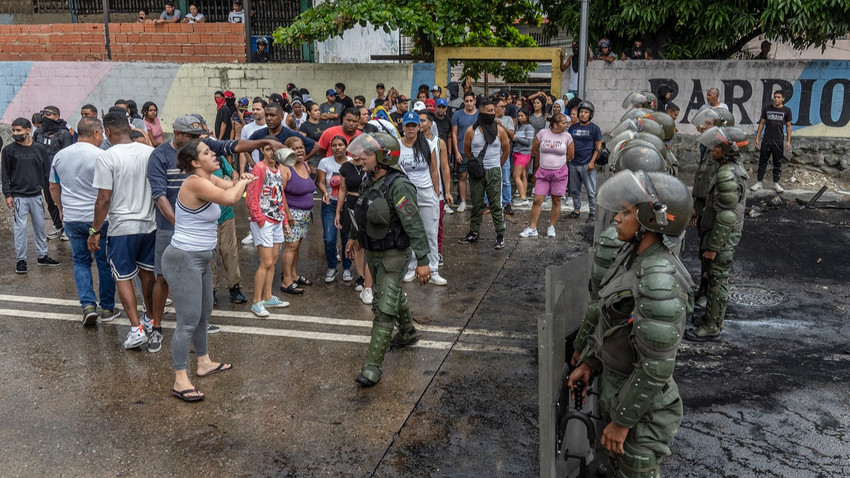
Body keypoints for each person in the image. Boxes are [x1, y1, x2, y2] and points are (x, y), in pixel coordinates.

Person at [568, 170, 693, 478]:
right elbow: (613, 322)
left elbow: (655, 368)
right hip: (620, 393)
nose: (616, 218)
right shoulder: (632, 258)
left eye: (625, 212)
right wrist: (590, 362)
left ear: (651, 219)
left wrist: (621, 423)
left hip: (642, 416)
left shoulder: (658, 278)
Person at [148, 115, 281, 350]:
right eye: (195, 138)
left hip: (198, 239)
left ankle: (200, 347)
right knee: (162, 280)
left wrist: (263, 144)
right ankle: (157, 327)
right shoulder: (163, 158)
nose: (206, 145)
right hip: (175, 231)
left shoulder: (204, 163)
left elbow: (234, 151)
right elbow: (159, 195)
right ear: (179, 135)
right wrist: (180, 225)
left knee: (200, 302)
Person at [164, 139, 256, 402]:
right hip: (184, 259)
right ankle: (180, 379)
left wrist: (243, 179)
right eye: (206, 152)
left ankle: (203, 362)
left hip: (201, 259)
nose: (214, 154)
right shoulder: (194, 182)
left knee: (204, 315)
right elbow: (231, 197)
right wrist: (242, 183)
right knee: (187, 322)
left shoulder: (210, 177)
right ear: (195, 162)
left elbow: (228, 186)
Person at [345, 133, 431, 386]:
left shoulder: (399, 186)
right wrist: (352, 237)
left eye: (367, 154)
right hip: (373, 253)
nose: (361, 158)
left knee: (383, 309)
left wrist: (423, 260)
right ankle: (408, 332)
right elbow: (359, 212)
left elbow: (414, 224)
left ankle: (372, 367)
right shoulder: (367, 181)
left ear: (383, 157)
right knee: (390, 295)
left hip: (394, 255)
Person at [88, 112, 157, 350]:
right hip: (149, 224)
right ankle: (150, 318)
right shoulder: (150, 153)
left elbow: (103, 199)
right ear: (129, 128)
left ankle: (136, 329)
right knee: (148, 275)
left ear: (107, 132)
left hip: (122, 227)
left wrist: (95, 230)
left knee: (123, 277)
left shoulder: (107, 157)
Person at [48, 116, 117, 324]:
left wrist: (60, 208)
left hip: (73, 217)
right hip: (99, 219)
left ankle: (87, 305)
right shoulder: (102, 156)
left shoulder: (60, 156)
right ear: (96, 133)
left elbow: (53, 186)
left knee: (81, 261)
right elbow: (108, 191)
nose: (102, 137)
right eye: (102, 133)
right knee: (104, 262)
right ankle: (107, 308)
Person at [687, 126, 749, 342]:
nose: (712, 149)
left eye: (717, 146)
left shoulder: (727, 174)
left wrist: (714, 247)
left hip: (722, 235)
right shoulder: (727, 168)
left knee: (718, 279)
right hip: (718, 232)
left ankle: (713, 326)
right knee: (713, 277)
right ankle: (709, 318)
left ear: (728, 149)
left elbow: (727, 216)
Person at [2, 117, 61, 274]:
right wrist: (8, 194)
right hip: (18, 197)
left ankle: (42, 256)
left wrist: (49, 192)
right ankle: (21, 260)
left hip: (36, 196)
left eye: (19, 130)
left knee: (40, 228)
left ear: (28, 130)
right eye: (14, 130)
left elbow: (47, 172)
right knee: (20, 229)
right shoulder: (8, 150)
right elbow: (5, 174)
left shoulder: (39, 149)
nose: (16, 133)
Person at [397, 112, 445, 285]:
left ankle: (433, 269)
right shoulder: (397, 146)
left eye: (414, 125)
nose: (410, 129)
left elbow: (434, 170)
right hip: (406, 194)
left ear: (419, 127)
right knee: (410, 231)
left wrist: (436, 193)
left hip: (426, 192)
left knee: (431, 232)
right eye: (408, 125)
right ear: (403, 127)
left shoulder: (428, 145)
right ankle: (411, 268)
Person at [246, 138, 292, 317]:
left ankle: (267, 297)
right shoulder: (259, 168)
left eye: (275, 149)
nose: (272, 152)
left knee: (273, 261)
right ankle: (256, 301)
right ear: (262, 151)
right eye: (267, 149)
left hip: (277, 220)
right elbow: (251, 197)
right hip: (263, 221)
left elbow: (280, 196)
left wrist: (285, 222)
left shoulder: (279, 170)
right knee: (265, 262)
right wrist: (260, 219)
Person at [459, 100, 510, 249]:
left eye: (493, 111)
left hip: (494, 170)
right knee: (476, 204)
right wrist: (477, 165)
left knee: (495, 205)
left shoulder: (499, 130)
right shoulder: (471, 131)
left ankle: (500, 235)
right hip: (477, 172)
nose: (492, 114)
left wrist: (497, 165)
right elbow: (467, 151)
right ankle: (474, 232)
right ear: (481, 112)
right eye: (489, 111)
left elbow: (506, 150)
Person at [519, 113, 573, 239]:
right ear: (555, 124)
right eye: (564, 123)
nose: (566, 125)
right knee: (537, 200)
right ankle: (532, 228)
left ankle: (551, 226)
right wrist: (542, 160)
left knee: (556, 200)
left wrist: (558, 162)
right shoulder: (543, 133)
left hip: (559, 173)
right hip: (543, 172)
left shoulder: (567, 136)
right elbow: (534, 149)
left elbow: (571, 155)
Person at [335, 144, 373, 304]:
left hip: (367, 204)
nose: (356, 153)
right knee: (356, 244)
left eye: (360, 150)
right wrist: (338, 211)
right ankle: (361, 277)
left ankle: (370, 280)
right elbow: (342, 189)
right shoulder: (345, 166)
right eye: (354, 150)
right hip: (350, 205)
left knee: (369, 243)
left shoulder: (370, 165)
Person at [279, 136, 316, 294]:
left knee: (297, 246)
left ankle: (294, 275)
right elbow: (281, 193)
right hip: (293, 214)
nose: (299, 151)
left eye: (301, 147)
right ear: (288, 151)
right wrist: (287, 214)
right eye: (295, 148)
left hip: (306, 214)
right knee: (290, 247)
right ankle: (286, 281)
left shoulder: (305, 165)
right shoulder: (286, 168)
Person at [33, 105, 72, 240]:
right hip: (44, 172)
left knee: (63, 200)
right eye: (43, 114)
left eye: (48, 114)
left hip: (60, 174)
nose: (45, 117)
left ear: (57, 116)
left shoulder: (64, 133)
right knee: (50, 201)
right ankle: (57, 226)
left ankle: (68, 228)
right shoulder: (38, 132)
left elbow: (68, 155)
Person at [317, 136, 353, 282]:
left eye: (340, 145)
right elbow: (320, 182)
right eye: (334, 145)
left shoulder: (352, 162)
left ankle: (347, 268)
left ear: (346, 147)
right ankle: (332, 266)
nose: (337, 148)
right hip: (330, 204)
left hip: (347, 205)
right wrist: (325, 192)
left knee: (346, 238)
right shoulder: (324, 162)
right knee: (329, 238)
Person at [567, 101, 603, 222]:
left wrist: (592, 161)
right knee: (575, 189)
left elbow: (598, 146)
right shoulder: (572, 127)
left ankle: (592, 212)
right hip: (573, 163)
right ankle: (576, 210)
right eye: (581, 112)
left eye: (586, 112)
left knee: (591, 190)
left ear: (590, 115)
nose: (582, 114)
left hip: (587, 164)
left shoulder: (595, 128)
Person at [752, 90, 792, 193]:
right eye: (775, 97)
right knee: (762, 162)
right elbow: (761, 123)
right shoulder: (767, 109)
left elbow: (788, 126)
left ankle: (775, 183)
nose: (776, 99)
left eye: (778, 97)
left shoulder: (786, 110)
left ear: (783, 98)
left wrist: (788, 141)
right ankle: (759, 182)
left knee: (777, 163)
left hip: (778, 140)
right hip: (766, 140)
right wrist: (757, 137)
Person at [450, 91, 479, 212]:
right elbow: (454, 134)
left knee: (477, 177)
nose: (469, 103)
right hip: (462, 150)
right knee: (462, 176)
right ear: (463, 101)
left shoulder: (480, 114)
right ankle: (463, 201)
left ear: (475, 100)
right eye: (467, 101)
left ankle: (477, 202)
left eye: (471, 101)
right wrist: (456, 151)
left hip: (477, 151)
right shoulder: (457, 115)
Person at [495, 97, 516, 216]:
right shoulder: (490, 118)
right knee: (490, 179)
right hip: (491, 153)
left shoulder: (507, 119)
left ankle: (507, 203)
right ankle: (488, 202)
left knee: (506, 180)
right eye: (501, 107)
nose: (504, 109)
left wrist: (502, 127)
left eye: (505, 107)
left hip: (504, 152)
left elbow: (512, 135)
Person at [512, 109, 535, 206]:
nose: (520, 118)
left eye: (522, 116)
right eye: (519, 116)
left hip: (523, 154)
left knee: (516, 176)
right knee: (523, 175)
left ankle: (523, 198)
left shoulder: (529, 127)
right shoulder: (520, 127)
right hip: (517, 153)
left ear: (526, 116)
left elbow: (529, 142)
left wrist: (516, 138)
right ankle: (523, 195)